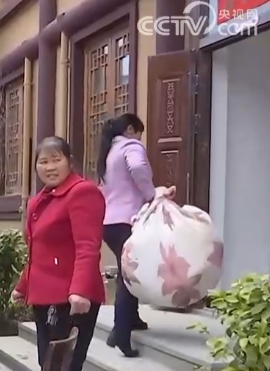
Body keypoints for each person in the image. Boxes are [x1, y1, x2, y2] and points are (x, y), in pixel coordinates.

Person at [11, 137, 106, 371]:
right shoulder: (39, 200)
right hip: (44, 296)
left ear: (69, 162)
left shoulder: (82, 192)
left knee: (64, 365)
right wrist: (23, 285)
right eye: (43, 161)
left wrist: (80, 290)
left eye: (56, 160)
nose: (50, 167)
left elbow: (87, 245)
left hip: (71, 298)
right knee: (48, 363)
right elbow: (38, 250)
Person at [96, 113, 153, 357]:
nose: (140, 138)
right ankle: (121, 334)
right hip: (127, 221)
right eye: (139, 133)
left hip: (109, 222)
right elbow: (138, 167)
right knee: (128, 277)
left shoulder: (109, 151)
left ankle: (132, 318)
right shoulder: (130, 146)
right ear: (130, 129)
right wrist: (151, 195)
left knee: (129, 271)